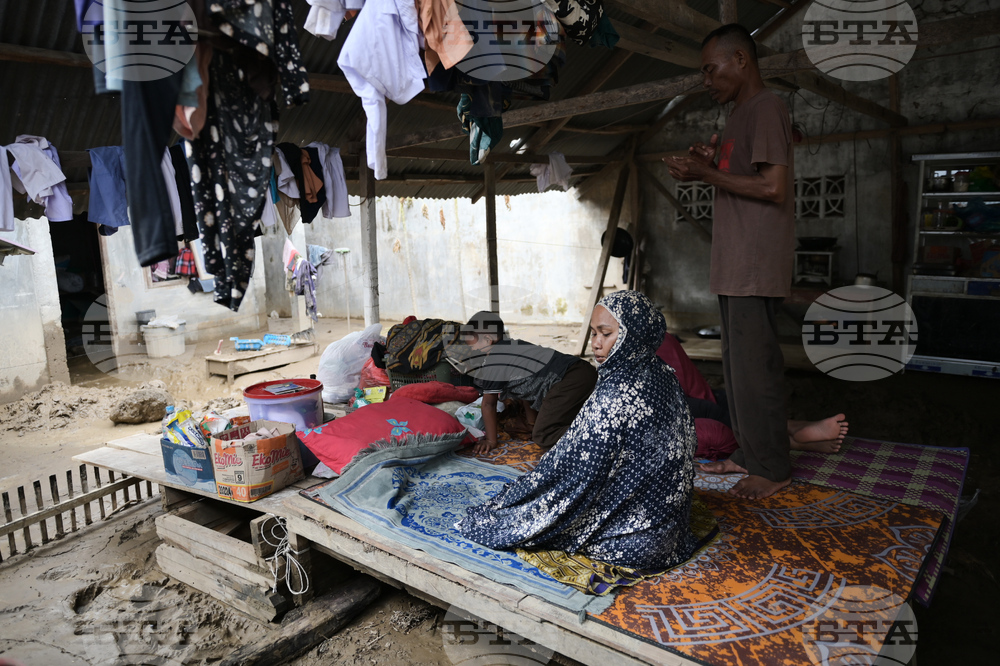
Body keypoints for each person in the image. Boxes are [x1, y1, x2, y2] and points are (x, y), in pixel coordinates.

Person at [457, 291, 699, 570]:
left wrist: (541, 478)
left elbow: (581, 473)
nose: (595, 343)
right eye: (594, 332)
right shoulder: (662, 373)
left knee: (532, 501)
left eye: (605, 334)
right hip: (670, 523)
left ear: (634, 334)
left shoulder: (614, 395)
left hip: (635, 540)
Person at [665, 24, 796, 500]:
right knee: (737, 369)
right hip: (734, 262)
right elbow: (737, 177)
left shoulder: (767, 108)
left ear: (741, 60)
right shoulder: (739, 115)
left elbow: (773, 187)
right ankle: (749, 453)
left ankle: (774, 466)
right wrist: (708, 165)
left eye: (710, 68)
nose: (706, 80)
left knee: (756, 368)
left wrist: (706, 173)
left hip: (755, 262)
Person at [655, 332, 849, 455]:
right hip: (675, 409)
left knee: (730, 402)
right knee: (716, 418)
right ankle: (790, 440)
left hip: (685, 399)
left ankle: (794, 427)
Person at [458, 310, 597, 454]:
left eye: (472, 344)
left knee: (544, 434)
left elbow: (488, 404)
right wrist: (532, 424)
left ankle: (602, 435)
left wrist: (491, 440)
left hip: (569, 379)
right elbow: (526, 393)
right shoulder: (516, 346)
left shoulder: (494, 362)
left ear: (488, 339)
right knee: (550, 423)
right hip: (583, 371)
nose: (471, 348)